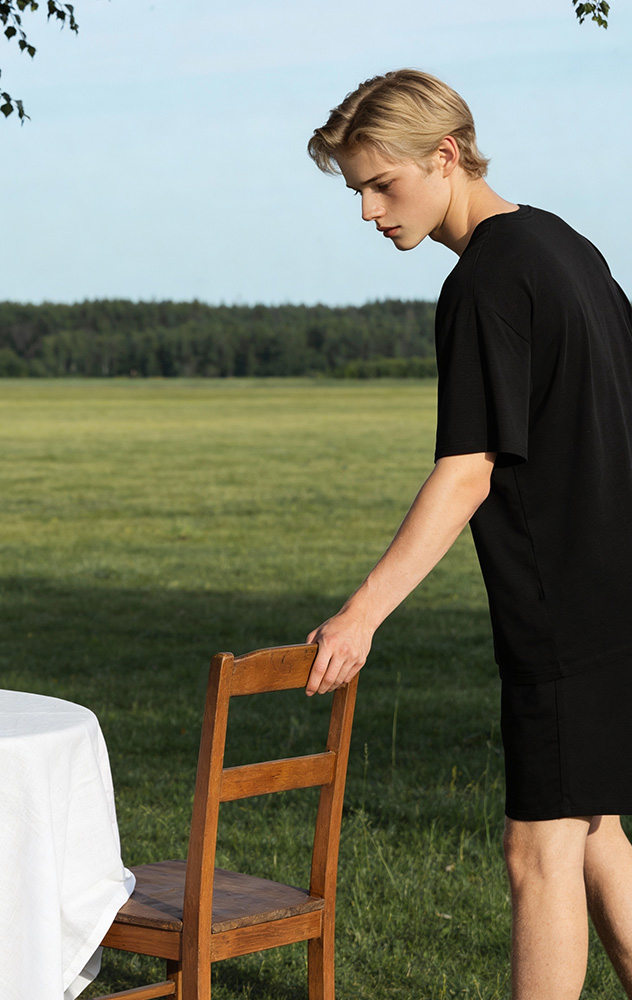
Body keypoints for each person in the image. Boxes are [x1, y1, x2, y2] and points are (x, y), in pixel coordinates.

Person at [306, 70, 632, 1000]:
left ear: (445, 156)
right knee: (596, 834)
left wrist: (360, 615)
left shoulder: (485, 281)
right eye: (356, 191)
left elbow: (468, 469)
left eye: (382, 185)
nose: (368, 212)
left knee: (538, 853)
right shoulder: (565, 246)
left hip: (566, 612)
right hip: (617, 597)